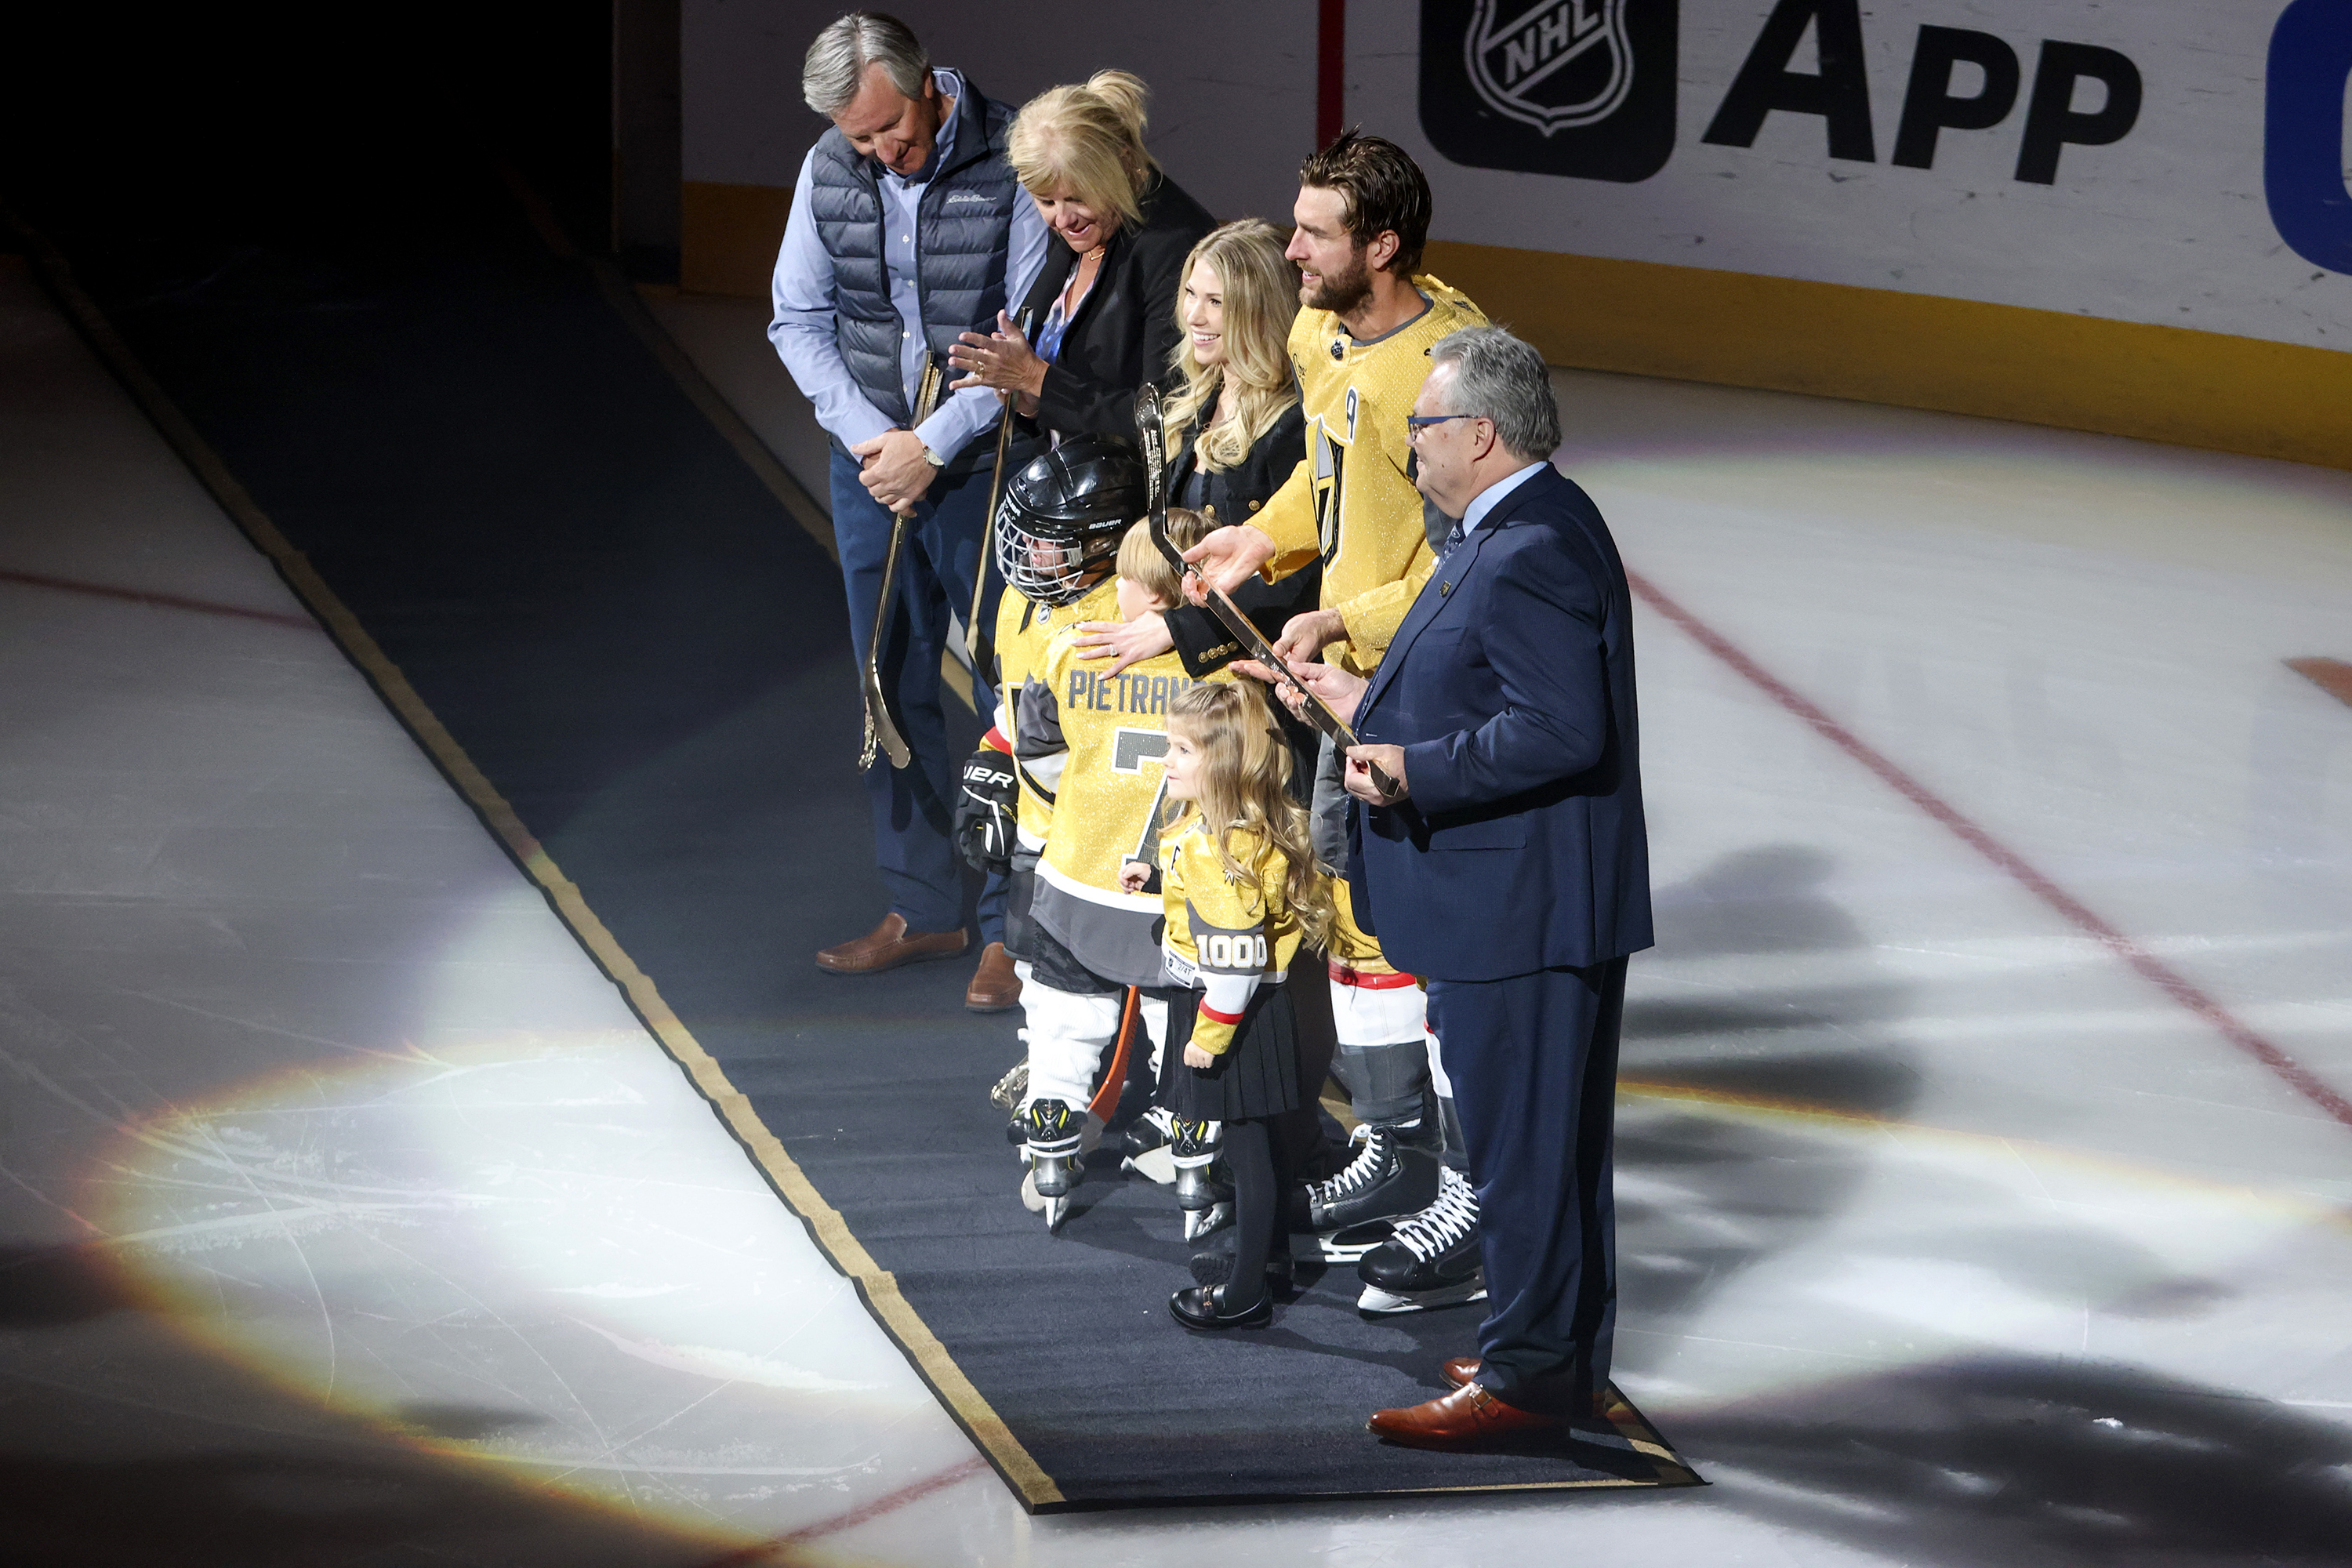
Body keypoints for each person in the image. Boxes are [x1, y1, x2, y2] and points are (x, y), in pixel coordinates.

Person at [1269, 327, 1651, 1448]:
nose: (1408, 445)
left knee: (1522, 1154)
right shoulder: (1530, 522)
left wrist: (1408, 768)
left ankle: (1528, 1387)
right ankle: (1550, 1353)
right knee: (1549, 1147)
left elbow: (1557, 729)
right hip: (1527, 902)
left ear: (1480, 435)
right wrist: (1360, 697)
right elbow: (1488, 685)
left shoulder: (1527, 546)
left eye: (1422, 426)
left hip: (1519, 911)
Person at [1183, 133, 1488, 1280]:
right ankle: (1401, 1142)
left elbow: (1478, 554)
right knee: (1358, 908)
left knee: (1439, 941)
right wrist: (1265, 535)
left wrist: (1346, 618)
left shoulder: (1457, 368)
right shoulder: (1320, 331)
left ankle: (1466, 1180)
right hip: (1341, 679)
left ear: (1383, 246)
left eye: (1314, 232)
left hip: (1424, 687)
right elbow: (1330, 476)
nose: (1291, 247)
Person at [768, 12, 1048, 1012]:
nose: (885, 152)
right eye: (863, 140)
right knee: (887, 679)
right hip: (871, 462)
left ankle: (1013, 929)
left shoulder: (1015, 156)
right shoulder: (827, 168)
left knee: (1009, 693)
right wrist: (872, 440)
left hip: (982, 463)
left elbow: (1032, 329)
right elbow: (796, 318)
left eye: (893, 129)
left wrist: (933, 444)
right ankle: (924, 902)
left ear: (929, 82)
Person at [1007, 510, 1224, 1230]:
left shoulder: (1071, 650)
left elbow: (1035, 753)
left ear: (1134, 584)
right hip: (1175, 893)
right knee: (1179, 1025)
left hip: (1078, 878)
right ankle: (1190, 1151)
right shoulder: (1217, 666)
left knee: (1063, 1019)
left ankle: (1051, 1129)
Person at [1127, 681, 1337, 1330]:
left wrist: (1207, 1040)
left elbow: (1235, 965)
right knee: (1262, 1149)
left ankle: (1247, 1292)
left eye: (1181, 749)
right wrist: (1162, 879)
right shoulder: (1235, 833)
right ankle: (1268, 1263)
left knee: (1249, 1159)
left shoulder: (1218, 852)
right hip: (1257, 1014)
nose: (1167, 761)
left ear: (1221, 762)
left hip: (1230, 1019)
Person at [952, 438, 1142, 1117]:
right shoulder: (1022, 601)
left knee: (1119, 977)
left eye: (1051, 543)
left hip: (1099, 838)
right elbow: (1017, 703)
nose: (1029, 558)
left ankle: (1144, 1092)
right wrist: (993, 753)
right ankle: (1052, 1070)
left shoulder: (1121, 624)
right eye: (1027, 538)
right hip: (1041, 825)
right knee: (1037, 965)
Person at [946, 71, 1215, 441]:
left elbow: (1167, 414)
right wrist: (1029, 399)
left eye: (1077, 197)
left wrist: (1036, 379)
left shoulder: (1175, 246)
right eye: (1045, 201)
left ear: (1121, 163)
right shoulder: (1085, 229)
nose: (1062, 219)